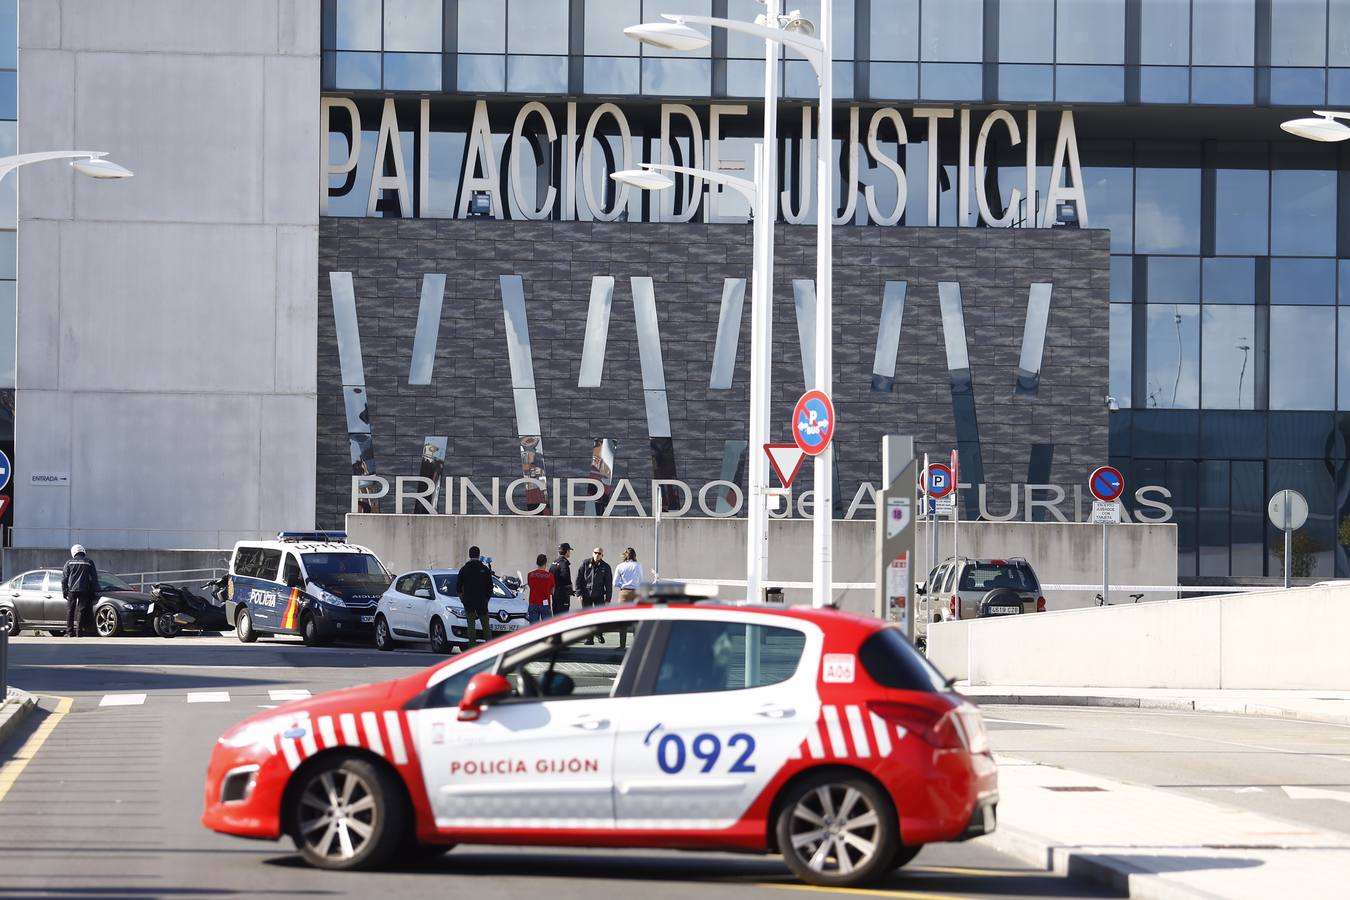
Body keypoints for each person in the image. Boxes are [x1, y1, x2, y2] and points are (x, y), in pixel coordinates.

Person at [456, 546, 494, 649]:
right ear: (479, 555)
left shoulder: (464, 569)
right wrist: (486, 599)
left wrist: (463, 600)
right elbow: (490, 587)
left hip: (468, 601)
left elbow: (458, 587)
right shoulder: (484, 569)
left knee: (471, 625)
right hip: (482, 601)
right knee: (485, 625)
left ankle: (472, 647)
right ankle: (489, 647)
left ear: (469, 555)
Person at [574, 546, 612, 646]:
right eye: (595, 552)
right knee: (587, 617)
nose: (597, 555)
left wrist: (608, 599)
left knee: (599, 616)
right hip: (586, 594)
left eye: (599, 553)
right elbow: (578, 579)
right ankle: (589, 639)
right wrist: (579, 593)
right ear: (592, 553)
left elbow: (608, 584)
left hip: (599, 595)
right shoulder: (585, 563)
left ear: (602, 555)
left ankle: (599, 634)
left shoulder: (606, 567)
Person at [61, 544, 99, 638]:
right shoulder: (89, 562)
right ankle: (79, 632)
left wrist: (64, 591)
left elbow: (64, 579)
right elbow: (94, 578)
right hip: (84, 589)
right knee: (81, 610)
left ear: (73, 552)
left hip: (72, 590)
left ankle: (69, 632)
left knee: (70, 610)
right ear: (83, 551)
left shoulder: (69, 563)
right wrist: (95, 590)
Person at [525, 553, 554, 625]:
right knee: (547, 627)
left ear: (537, 563)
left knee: (533, 628)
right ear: (545, 563)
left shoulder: (530, 575)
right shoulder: (550, 576)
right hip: (545, 604)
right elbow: (552, 591)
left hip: (533, 603)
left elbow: (530, 586)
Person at [548, 542, 575, 615]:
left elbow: (550, 575)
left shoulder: (554, 562)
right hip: (563, 595)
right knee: (563, 618)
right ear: (566, 552)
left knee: (556, 617)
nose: (569, 553)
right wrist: (570, 589)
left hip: (555, 594)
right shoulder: (564, 563)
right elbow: (566, 577)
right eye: (569, 551)